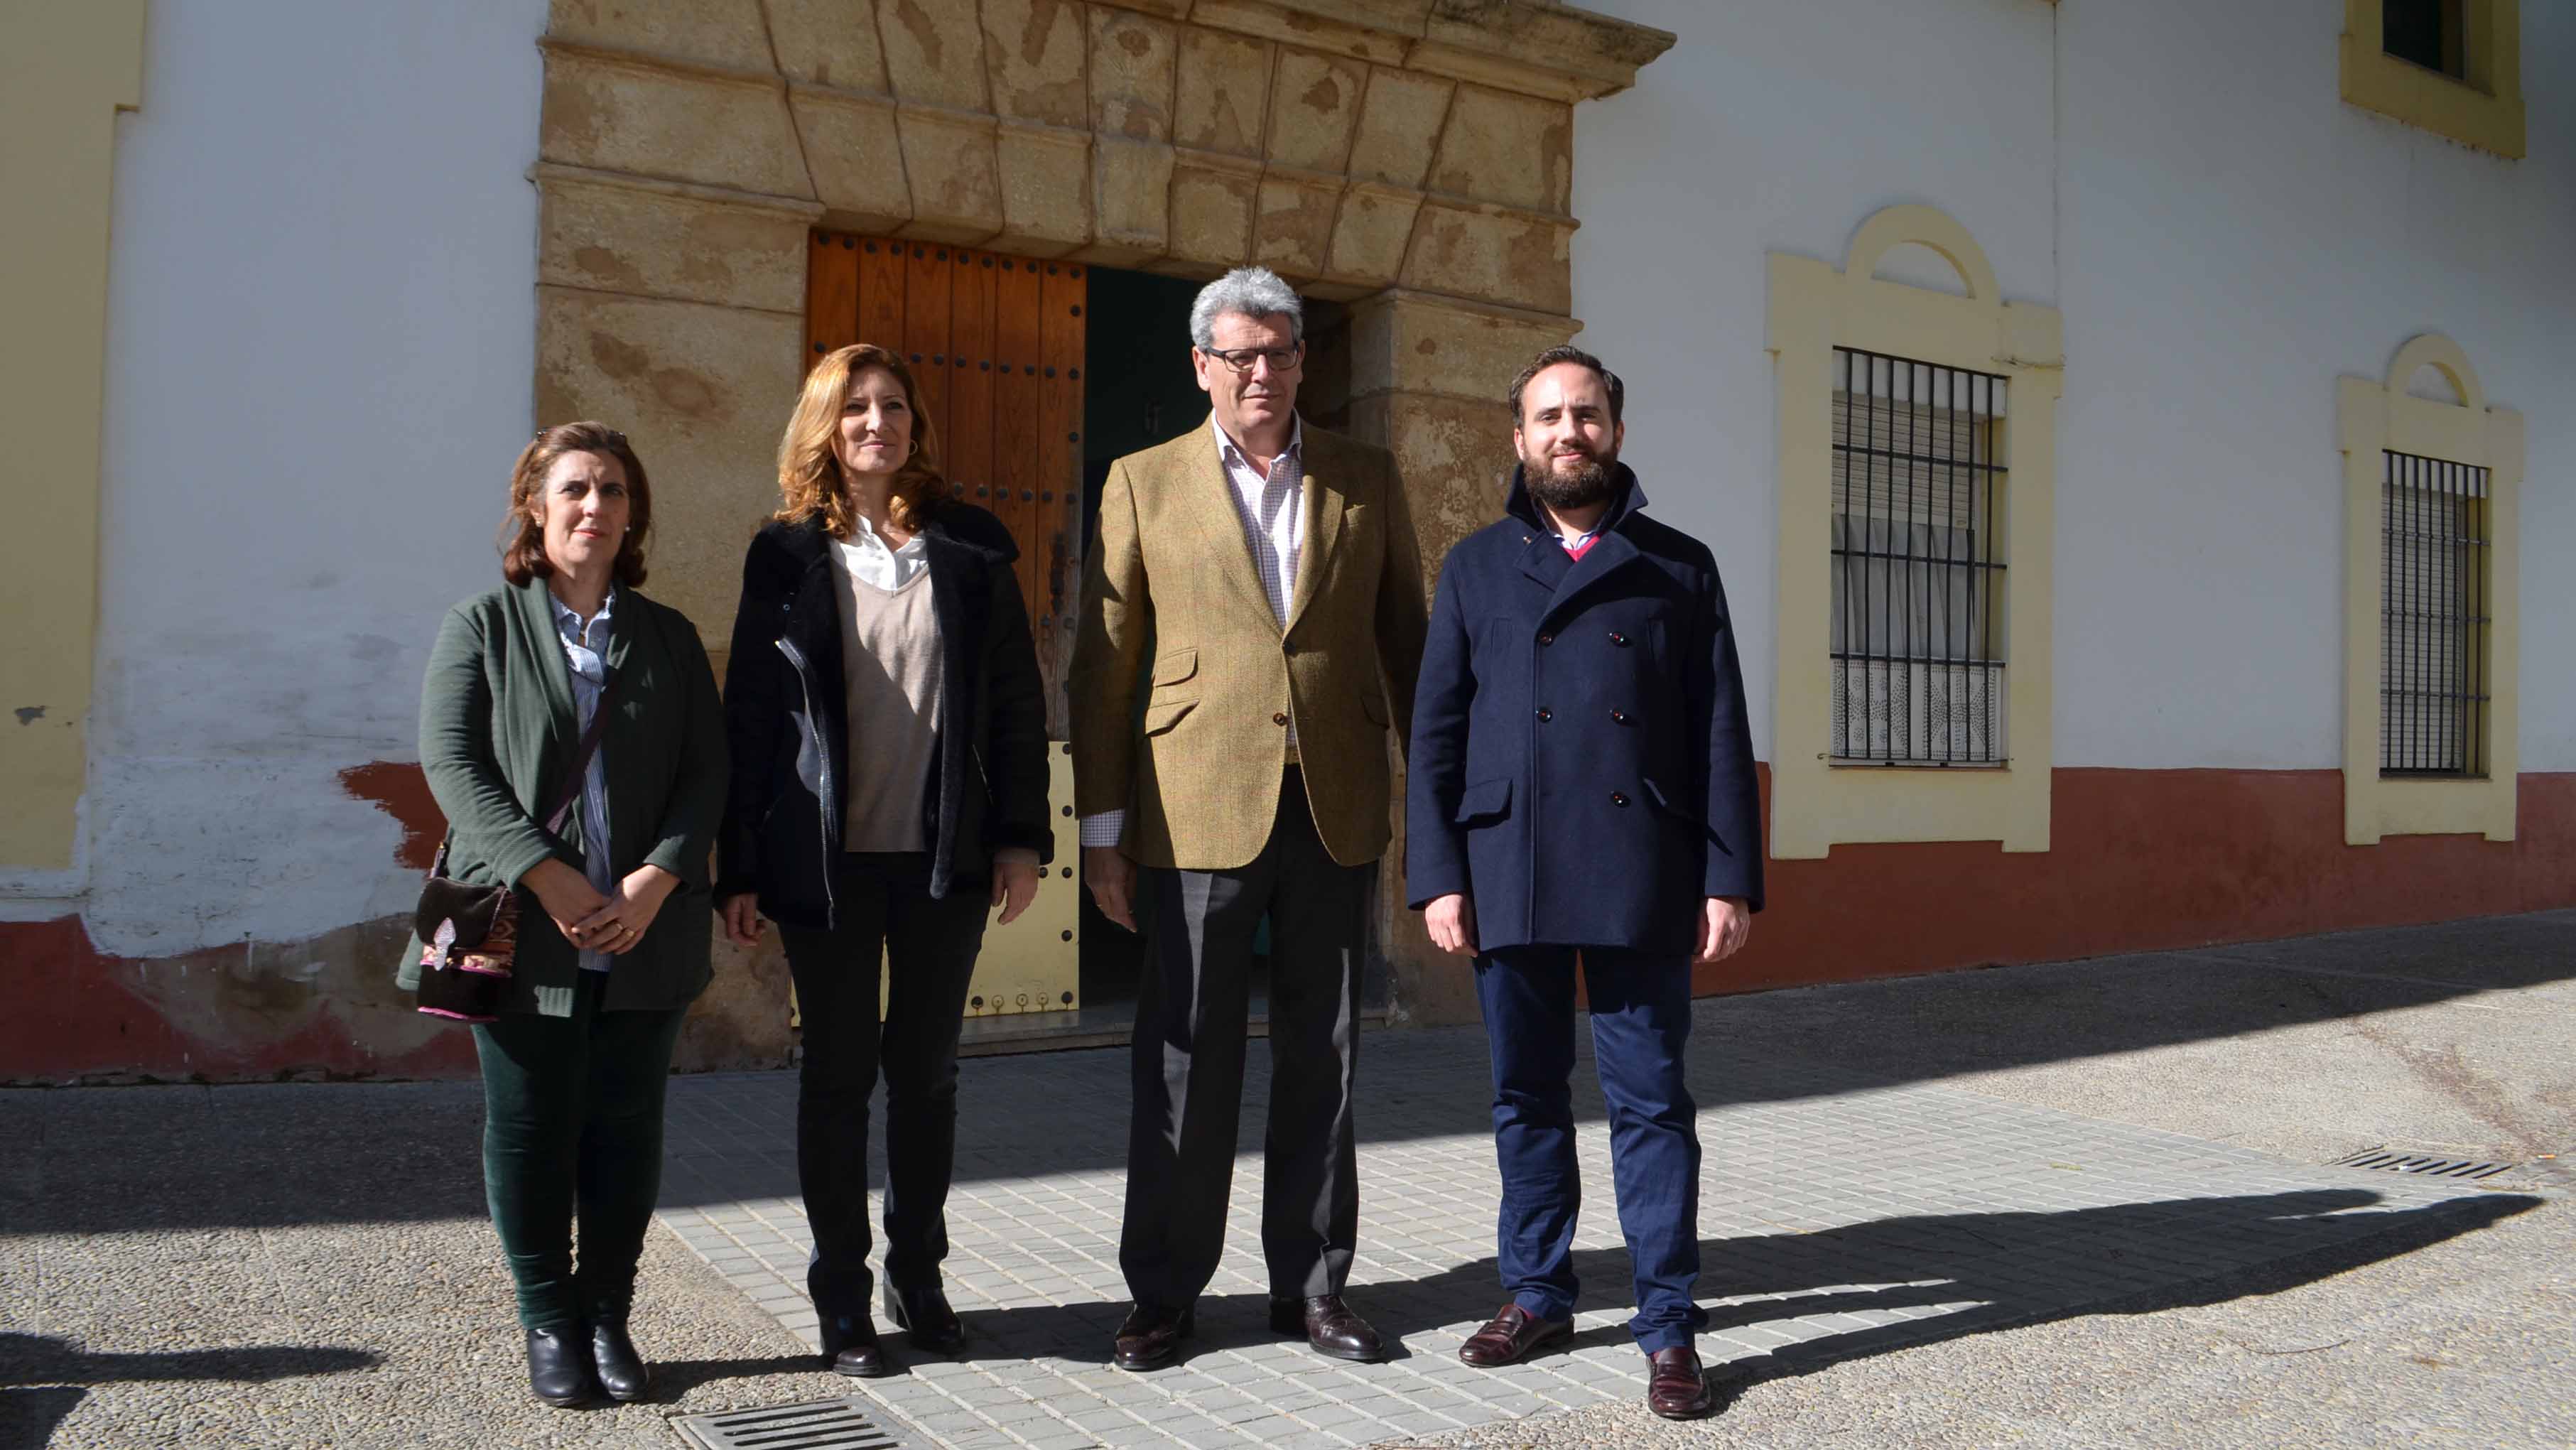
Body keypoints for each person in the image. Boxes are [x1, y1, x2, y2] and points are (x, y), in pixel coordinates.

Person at [1069, 266, 1429, 1371]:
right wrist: (1100, 829)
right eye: (1238, 355)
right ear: (1201, 366)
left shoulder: (1364, 475)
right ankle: (1165, 1295)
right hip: (1189, 808)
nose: (1259, 371)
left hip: (1331, 804)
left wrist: (1442, 814)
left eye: (1278, 351)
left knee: (1324, 1051)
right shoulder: (1142, 479)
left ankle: (1314, 1286)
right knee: (1185, 1057)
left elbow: (1406, 640)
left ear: (1301, 361)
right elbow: (1105, 664)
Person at [1405, 346, 1763, 1421]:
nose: (1569, 431)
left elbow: (1717, 730)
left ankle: (1668, 1322)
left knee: (1651, 1102)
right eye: (1548, 416)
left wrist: (1727, 874)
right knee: (1524, 1095)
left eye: (1587, 413)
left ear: (1616, 428)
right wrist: (1437, 874)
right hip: (1506, 858)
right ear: (1517, 439)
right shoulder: (1473, 566)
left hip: (1639, 864)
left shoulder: (1678, 565)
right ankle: (1538, 1290)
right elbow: (1435, 733)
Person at [716, 343, 1053, 1378]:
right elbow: (753, 716)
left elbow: (1012, 702)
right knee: (836, 1079)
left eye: (894, 405)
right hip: (825, 862)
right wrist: (736, 865)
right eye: (856, 407)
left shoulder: (972, 544)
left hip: (942, 855)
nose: (878, 422)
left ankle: (920, 1272)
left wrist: (1022, 838)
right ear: (824, 424)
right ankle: (841, 1294)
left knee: (927, 1075)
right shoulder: (782, 554)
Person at [406, 422, 727, 1408]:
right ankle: (548, 1317)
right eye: (576, 488)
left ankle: (608, 1315)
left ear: (633, 516)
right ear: (535, 506)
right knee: (532, 1125)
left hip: (643, 931)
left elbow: (707, 771)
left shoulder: (666, 635)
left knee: (626, 1128)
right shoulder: (483, 623)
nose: (596, 507)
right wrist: (547, 875)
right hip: (520, 924)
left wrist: (654, 881)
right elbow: (452, 762)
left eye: (615, 492)